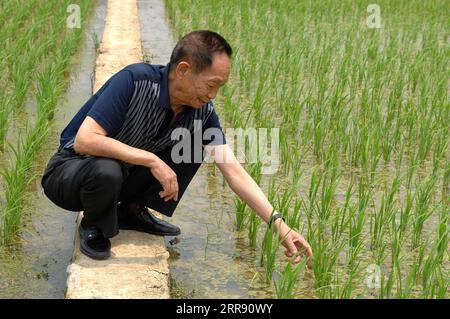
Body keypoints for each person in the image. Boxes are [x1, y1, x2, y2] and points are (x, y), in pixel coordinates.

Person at [41, 30, 312, 265]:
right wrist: (152, 160)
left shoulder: (202, 112)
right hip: (70, 173)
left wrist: (280, 226)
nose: (213, 95)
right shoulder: (134, 81)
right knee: (107, 168)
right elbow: (85, 140)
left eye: (219, 87)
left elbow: (234, 172)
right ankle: (94, 225)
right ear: (183, 70)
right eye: (211, 85)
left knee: (192, 144)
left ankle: (131, 211)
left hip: (121, 175)